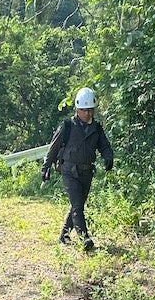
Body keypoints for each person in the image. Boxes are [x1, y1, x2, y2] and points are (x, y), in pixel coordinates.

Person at [42, 87, 114, 251]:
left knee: (78, 204)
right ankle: (84, 237)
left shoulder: (97, 127)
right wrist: (45, 168)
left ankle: (64, 235)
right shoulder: (67, 125)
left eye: (90, 110)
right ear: (77, 109)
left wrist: (108, 157)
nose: (88, 113)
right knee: (77, 206)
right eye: (84, 110)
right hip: (69, 170)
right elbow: (53, 148)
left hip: (87, 171)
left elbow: (104, 146)